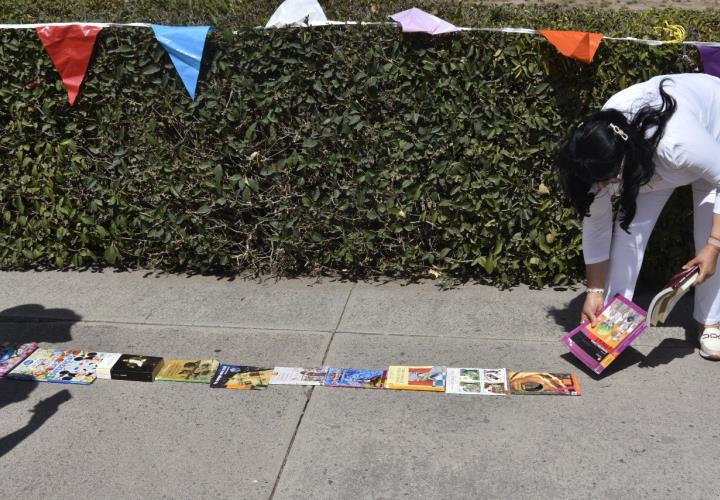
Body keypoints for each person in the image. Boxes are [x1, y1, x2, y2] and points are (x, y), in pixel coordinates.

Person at [558, 73, 720, 361]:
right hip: (648, 161)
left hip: (713, 136)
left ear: (624, 158)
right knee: (628, 230)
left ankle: (709, 322)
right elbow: (596, 224)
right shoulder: (597, 147)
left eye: (609, 179)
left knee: (709, 236)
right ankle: (611, 323)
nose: (604, 188)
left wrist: (714, 245)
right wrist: (593, 290)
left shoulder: (679, 144)